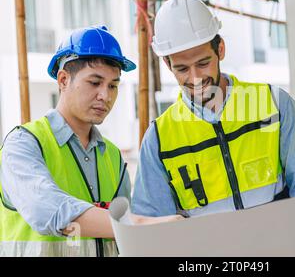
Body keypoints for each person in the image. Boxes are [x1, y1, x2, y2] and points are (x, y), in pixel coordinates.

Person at [131, 0, 295, 256]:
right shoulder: (159, 138)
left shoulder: (274, 104)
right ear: (167, 64)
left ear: (220, 50)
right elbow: (152, 223)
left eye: (203, 63)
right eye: (182, 69)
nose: (195, 78)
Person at [0, 26, 181, 257]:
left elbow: (121, 243)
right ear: (63, 80)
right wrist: (141, 224)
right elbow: (46, 210)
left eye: (113, 86)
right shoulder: (24, 145)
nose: (105, 96)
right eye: (95, 83)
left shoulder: (113, 157)